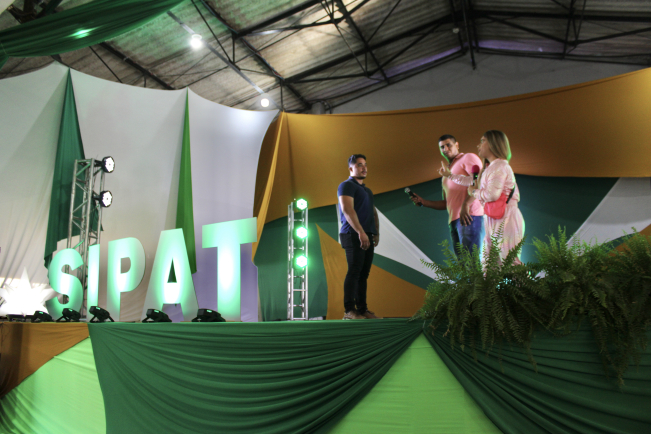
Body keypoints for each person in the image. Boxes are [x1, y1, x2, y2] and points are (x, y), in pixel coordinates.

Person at [442, 131, 525, 264]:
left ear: (493, 144)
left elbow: (492, 195)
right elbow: (470, 181)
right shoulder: (488, 169)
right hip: (491, 218)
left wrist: (474, 192)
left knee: (510, 263)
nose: (478, 145)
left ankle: (526, 278)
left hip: (506, 218)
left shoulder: (500, 167)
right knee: (489, 265)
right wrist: (450, 175)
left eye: (482, 141)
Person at [410, 134, 484, 257]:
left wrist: (466, 204)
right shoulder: (445, 175)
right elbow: (446, 203)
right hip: (453, 222)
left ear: (457, 145)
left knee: (471, 262)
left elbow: (480, 182)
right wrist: (424, 202)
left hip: (470, 216)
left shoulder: (468, 157)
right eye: (442, 147)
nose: (445, 149)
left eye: (448, 145)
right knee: (462, 264)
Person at [338, 154, 381, 320]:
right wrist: (360, 232)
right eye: (359, 165)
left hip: (367, 234)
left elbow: (373, 212)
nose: (364, 168)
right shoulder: (346, 186)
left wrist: (375, 232)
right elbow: (347, 209)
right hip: (352, 233)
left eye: (365, 164)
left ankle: (362, 310)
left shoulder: (367, 191)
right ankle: (349, 311)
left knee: (363, 274)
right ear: (351, 168)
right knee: (354, 271)